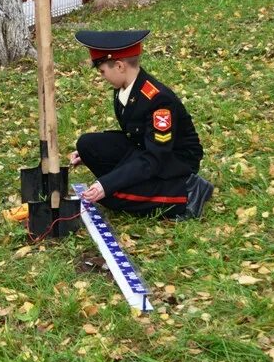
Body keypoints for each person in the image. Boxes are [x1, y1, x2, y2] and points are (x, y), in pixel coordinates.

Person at [69, 30, 214, 221]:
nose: (102, 76)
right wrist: (93, 157)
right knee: (87, 145)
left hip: (172, 160)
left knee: (111, 196)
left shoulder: (158, 100)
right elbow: (134, 134)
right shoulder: (125, 87)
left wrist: (107, 184)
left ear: (119, 66)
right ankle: (124, 183)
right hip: (146, 148)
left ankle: (187, 193)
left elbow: (156, 157)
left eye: (102, 71)